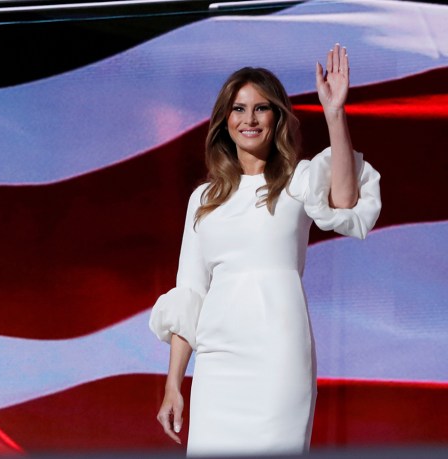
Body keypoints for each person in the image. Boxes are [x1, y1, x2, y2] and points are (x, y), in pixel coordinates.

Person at [149, 44, 381, 455]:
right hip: (218, 363)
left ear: (277, 118)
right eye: (238, 109)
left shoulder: (298, 180)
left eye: (261, 108)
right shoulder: (204, 199)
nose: (249, 119)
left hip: (279, 358)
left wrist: (335, 112)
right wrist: (173, 385)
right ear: (225, 121)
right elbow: (190, 294)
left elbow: (346, 202)